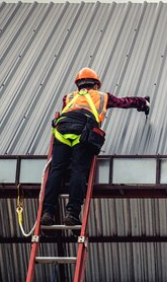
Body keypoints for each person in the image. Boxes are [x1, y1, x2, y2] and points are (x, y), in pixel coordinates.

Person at [40, 67, 149, 226]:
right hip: (83, 133)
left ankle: (47, 213)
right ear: (96, 84)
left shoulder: (68, 97)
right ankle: (72, 213)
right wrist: (143, 103)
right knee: (79, 170)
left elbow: (66, 113)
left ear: (78, 85)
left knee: (56, 170)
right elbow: (125, 102)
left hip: (61, 132)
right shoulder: (103, 97)